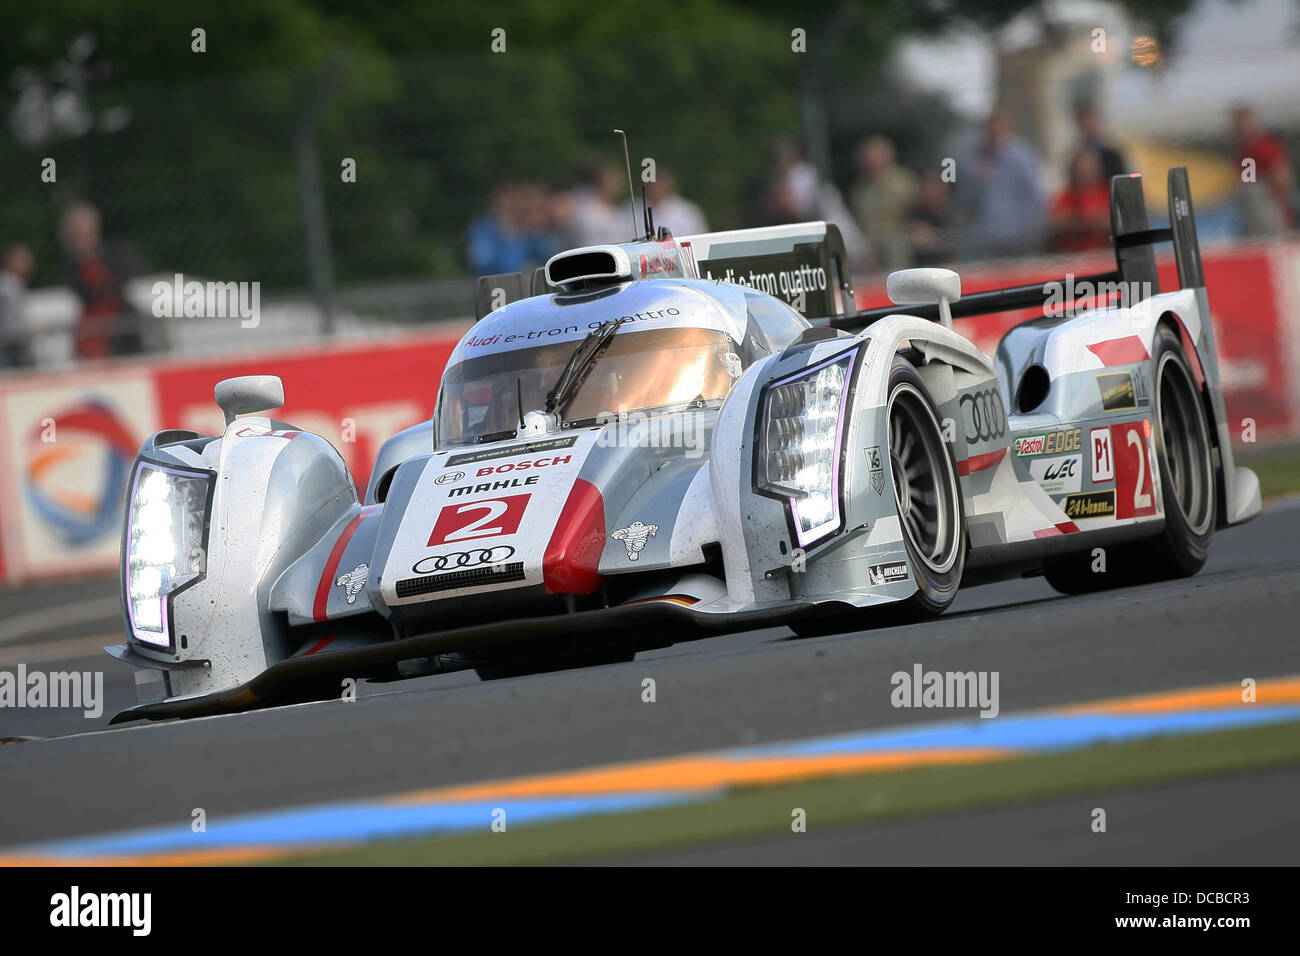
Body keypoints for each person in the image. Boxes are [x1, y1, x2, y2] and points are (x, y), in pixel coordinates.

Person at [59, 202, 144, 359]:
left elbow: (123, 279)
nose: (81, 240)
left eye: (85, 234)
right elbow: (87, 293)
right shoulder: (70, 266)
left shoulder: (117, 253)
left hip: (120, 323)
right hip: (94, 326)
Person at [961, 109, 1046, 258]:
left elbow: (1033, 195)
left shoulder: (1022, 156)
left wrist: (1031, 231)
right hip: (987, 238)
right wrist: (978, 182)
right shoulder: (975, 158)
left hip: (1018, 237)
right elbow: (967, 200)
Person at [850, 135, 917, 274]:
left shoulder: (904, 182)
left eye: (875, 154)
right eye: (866, 155)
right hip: (870, 248)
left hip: (899, 244)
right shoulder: (860, 190)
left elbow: (914, 215)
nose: (870, 159)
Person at [1231, 104, 1295, 235]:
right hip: (1254, 211)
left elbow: (1281, 175)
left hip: (1270, 209)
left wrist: (1276, 203)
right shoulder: (1243, 152)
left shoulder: (1266, 147)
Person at [1049, 150, 1112, 252]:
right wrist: (1082, 221)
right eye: (1081, 170)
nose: (1085, 174)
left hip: (1106, 252)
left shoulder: (1108, 192)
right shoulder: (1067, 195)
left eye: (1090, 169)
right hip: (1075, 256)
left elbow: (1120, 220)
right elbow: (1056, 221)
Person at [904, 171, 955, 267]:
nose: (931, 192)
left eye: (936, 187)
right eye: (927, 188)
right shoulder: (914, 215)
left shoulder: (953, 215)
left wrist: (935, 240)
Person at [646, 168, 708, 237]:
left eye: (660, 184)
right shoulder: (634, 211)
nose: (656, 189)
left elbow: (699, 238)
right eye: (653, 185)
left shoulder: (688, 211)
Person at [0, 244, 34, 368]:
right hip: (7, 344)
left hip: (15, 342)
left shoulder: (14, 284)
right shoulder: (6, 286)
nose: (27, 263)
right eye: (21, 258)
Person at [1073, 104, 1128, 181]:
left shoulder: (1112, 150)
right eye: (1084, 123)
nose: (1088, 126)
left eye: (1091, 121)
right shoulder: (1076, 152)